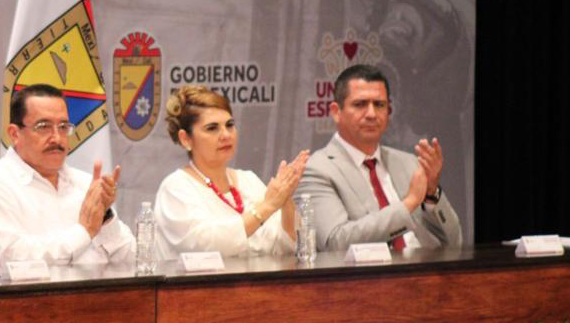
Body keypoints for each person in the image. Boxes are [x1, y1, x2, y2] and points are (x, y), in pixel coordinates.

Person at [0, 83, 134, 266]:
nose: (57, 138)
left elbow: (132, 259)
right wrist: (84, 231)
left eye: (63, 127)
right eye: (43, 126)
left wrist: (105, 217)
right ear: (14, 134)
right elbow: (11, 258)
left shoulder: (85, 183)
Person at [296, 64, 462, 251]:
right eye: (360, 104)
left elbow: (454, 242)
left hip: (426, 267)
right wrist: (409, 203)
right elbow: (336, 244)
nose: (372, 114)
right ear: (336, 112)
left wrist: (431, 195)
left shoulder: (410, 163)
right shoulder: (316, 170)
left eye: (379, 105)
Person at [154, 87, 308, 260]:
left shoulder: (248, 180)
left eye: (229, 125)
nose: (226, 135)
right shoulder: (175, 188)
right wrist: (267, 206)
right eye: (212, 128)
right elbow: (204, 245)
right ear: (186, 139)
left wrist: (285, 198)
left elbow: (285, 246)